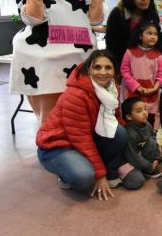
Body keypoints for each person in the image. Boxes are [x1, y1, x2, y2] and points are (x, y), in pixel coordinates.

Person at [36, 50, 127, 200]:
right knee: (84, 177)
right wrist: (99, 175)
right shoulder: (76, 95)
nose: (103, 72)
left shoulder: (111, 88)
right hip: (57, 145)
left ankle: (110, 171)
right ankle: (64, 174)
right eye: (97, 67)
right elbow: (82, 139)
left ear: (114, 70)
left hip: (84, 137)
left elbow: (115, 118)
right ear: (88, 69)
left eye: (108, 67)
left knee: (120, 132)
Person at [120, 21, 162, 126]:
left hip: (152, 92)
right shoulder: (129, 52)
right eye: (149, 33)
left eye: (155, 34)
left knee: (150, 118)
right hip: (133, 92)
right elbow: (125, 71)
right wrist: (137, 87)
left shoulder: (159, 55)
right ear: (140, 36)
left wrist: (155, 87)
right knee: (133, 117)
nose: (153, 37)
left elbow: (161, 74)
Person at [106, 0, 160, 66]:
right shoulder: (118, 13)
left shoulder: (152, 14)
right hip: (120, 63)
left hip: (145, 64)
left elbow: (155, 42)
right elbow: (111, 45)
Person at [118, 97, 162, 190]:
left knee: (151, 140)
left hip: (139, 154)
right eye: (139, 111)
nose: (145, 113)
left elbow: (153, 140)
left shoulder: (147, 124)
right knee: (137, 181)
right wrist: (149, 166)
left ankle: (144, 168)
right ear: (129, 116)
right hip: (127, 160)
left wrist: (156, 158)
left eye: (145, 109)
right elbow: (132, 157)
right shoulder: (130, 133)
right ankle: (121, 174)